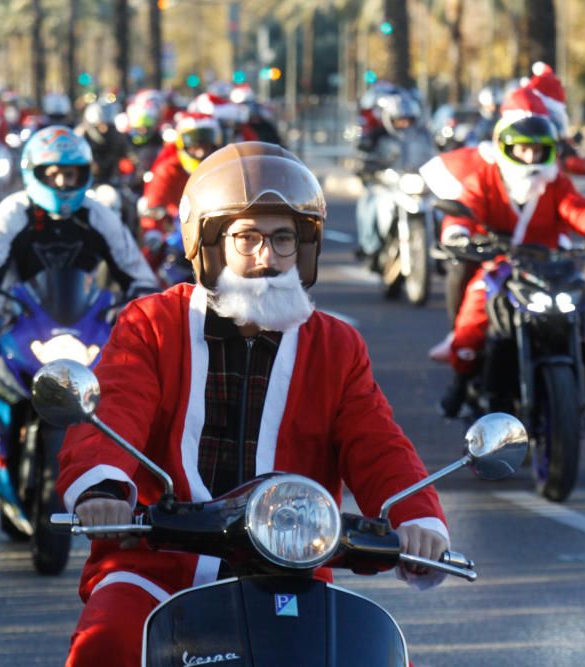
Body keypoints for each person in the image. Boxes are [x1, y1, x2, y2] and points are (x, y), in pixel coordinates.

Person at [56, 142, 450, 666]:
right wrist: (104, 488)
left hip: (291, 573)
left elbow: (376, 442)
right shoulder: (152, 324)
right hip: (157, 564)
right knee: (104, 643)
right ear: (209, 243)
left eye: (283, 237)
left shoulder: (336, 345)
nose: (267, 257)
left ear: (304, 247)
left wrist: (417, 518)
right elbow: (115, 410)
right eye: (247, 237)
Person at [0, 125, 158, 479]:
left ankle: (140, 455)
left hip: (86, 319)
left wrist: (136, 309)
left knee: (132, 377)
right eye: (54, 173)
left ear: (85, 173)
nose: (62, 182)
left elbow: (137, 274)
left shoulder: (97, 214)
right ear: (35, 173)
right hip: (20, 314)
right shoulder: (12, 212)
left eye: (71, 173)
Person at [435, 88, 585, 417]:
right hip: (500, 267)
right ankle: (462, 381)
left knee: (581, 312)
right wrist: (457, 232)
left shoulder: (555, 182)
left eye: (539, 150)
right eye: (524, 149)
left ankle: (574, 375)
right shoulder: (486, 176)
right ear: (507, 147)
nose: (532, 157)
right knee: (469, 326)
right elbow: (464, 208)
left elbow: (577, 208)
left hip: (551, 268)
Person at [354, 87, 436, 265]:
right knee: (370, 204)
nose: (404, 124)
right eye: (399, 120)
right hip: (387, 184)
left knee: (442, 209)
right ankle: (370, 246)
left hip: (415, 185)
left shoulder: (423, 137)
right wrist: (367, 166)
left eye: (408, 120)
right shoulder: (378, 137)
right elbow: (364, 155)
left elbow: (434, 155)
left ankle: (440, 252)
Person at [137, 112, 222, 257]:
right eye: (194, 146)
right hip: (178, 236)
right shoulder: (167, 169)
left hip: (217, 235)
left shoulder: (224, 167)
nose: (201, 152)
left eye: (206, 145)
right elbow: (154, 203)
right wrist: (153, 233)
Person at [76, 100, 131, 185]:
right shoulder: (80, 138)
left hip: (113, 183)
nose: (105, 129)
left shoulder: (117, 137)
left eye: (108, 125)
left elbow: (130, 155)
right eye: (100, 125)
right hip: (87, 183)